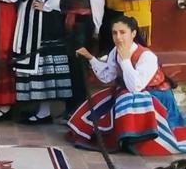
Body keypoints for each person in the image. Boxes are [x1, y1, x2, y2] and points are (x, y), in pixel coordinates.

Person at [69, 16, 186, 155]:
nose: (118, 37)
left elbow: (135, 87)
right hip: (133, 94)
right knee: (102, 99)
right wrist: (90, 58)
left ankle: (138, 138)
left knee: (126, 99)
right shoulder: (115, 52)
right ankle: (120, 136)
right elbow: (107, 77)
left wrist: (125, 60)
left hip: (156, 98)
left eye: (122, 32)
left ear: (133, 33)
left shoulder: (147, 57)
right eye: (115, 33)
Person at [13, 0, 71, 124]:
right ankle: (36, 106)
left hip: (44, 16)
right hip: (30, 13)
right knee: (33, 60)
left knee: (43, 60)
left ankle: (45, 110)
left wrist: (47, 5)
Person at [59, 0, 104, 122]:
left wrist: (97, 27)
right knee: (67, 66)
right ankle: (69, 108)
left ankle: (80, 110)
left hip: (82, 22)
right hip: (63, 20)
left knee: (79, 67)